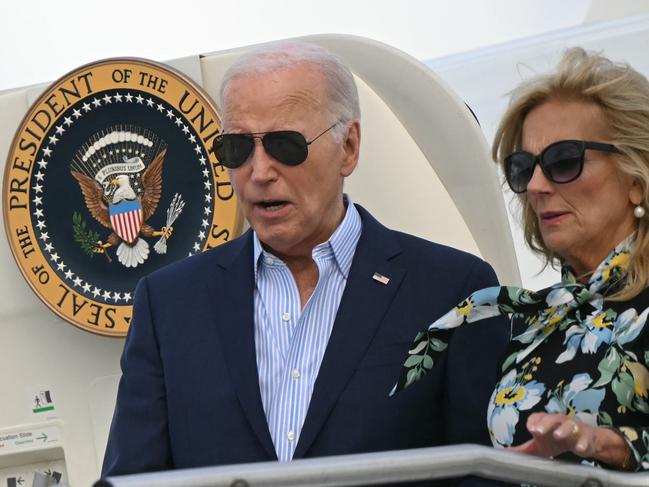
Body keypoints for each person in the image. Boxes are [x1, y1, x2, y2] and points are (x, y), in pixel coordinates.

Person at [101, 41, 509, 480]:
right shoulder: (169, 306)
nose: (259, 172)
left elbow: (486, 474)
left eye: (285, 145)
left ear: (348, 147)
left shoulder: (454, 289)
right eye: (238, 149)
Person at [393, 47, 649, 474]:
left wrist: (623, 451)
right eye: (522, 167)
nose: (536, 185)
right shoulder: (534, 323)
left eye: (563, 161)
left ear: (637, 178)